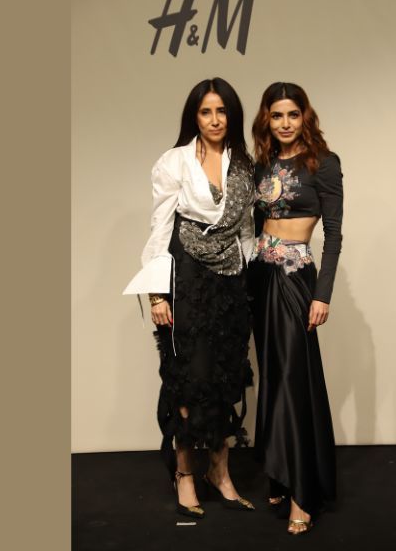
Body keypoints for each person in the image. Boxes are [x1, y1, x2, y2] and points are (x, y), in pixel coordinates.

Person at [123, 77, 256, 519]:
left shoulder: (244, 165)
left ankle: (220, 470)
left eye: (221, 111)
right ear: (194, 117)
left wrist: (251, 281)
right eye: (205, 112)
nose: (215, 120)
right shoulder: (174, 161)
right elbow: (160, 227)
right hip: (188, 279)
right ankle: (184, 473)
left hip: (230, 284)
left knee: (225, 376)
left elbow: (246, 231)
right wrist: (157, 295)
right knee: (189, 377)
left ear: (232, 115)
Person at [248, 82, 343, 535]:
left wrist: (322, 294)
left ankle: (303, 492)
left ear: (305, 116)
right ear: (266, 119)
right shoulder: (262, 164)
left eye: (292, 114)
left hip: (294, 277)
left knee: (293, 379)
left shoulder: (323, 163)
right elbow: (253, 225)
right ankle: (279, 473)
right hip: (260, 277)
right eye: (277, 115)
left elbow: (334, 235)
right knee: (272, 375)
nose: (285, 123)